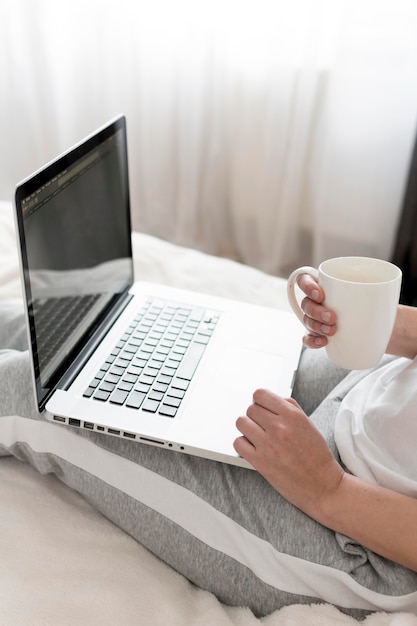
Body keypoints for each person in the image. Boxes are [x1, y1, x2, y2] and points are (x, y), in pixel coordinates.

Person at [0, 275, 416, 619]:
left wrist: (329, 489)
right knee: (103, 329)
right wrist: (382, 325)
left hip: (366, 532)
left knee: (46, 394)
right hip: (372, 386)